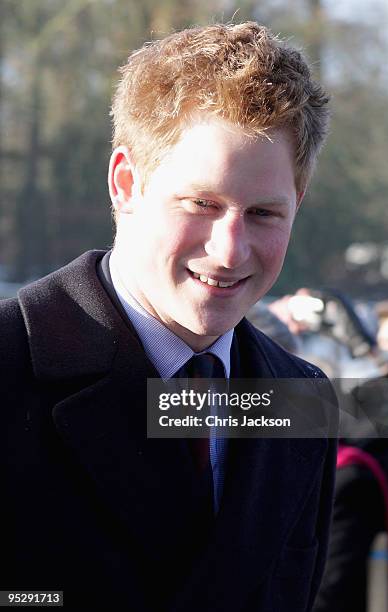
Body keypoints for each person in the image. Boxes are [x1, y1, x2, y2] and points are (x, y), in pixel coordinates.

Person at [1, 22, 337, 611]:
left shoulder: (302, 400)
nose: (230, 250)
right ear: (126, 183)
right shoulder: (10, 366)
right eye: (201, 204)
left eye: (263, 213)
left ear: (298, 206)